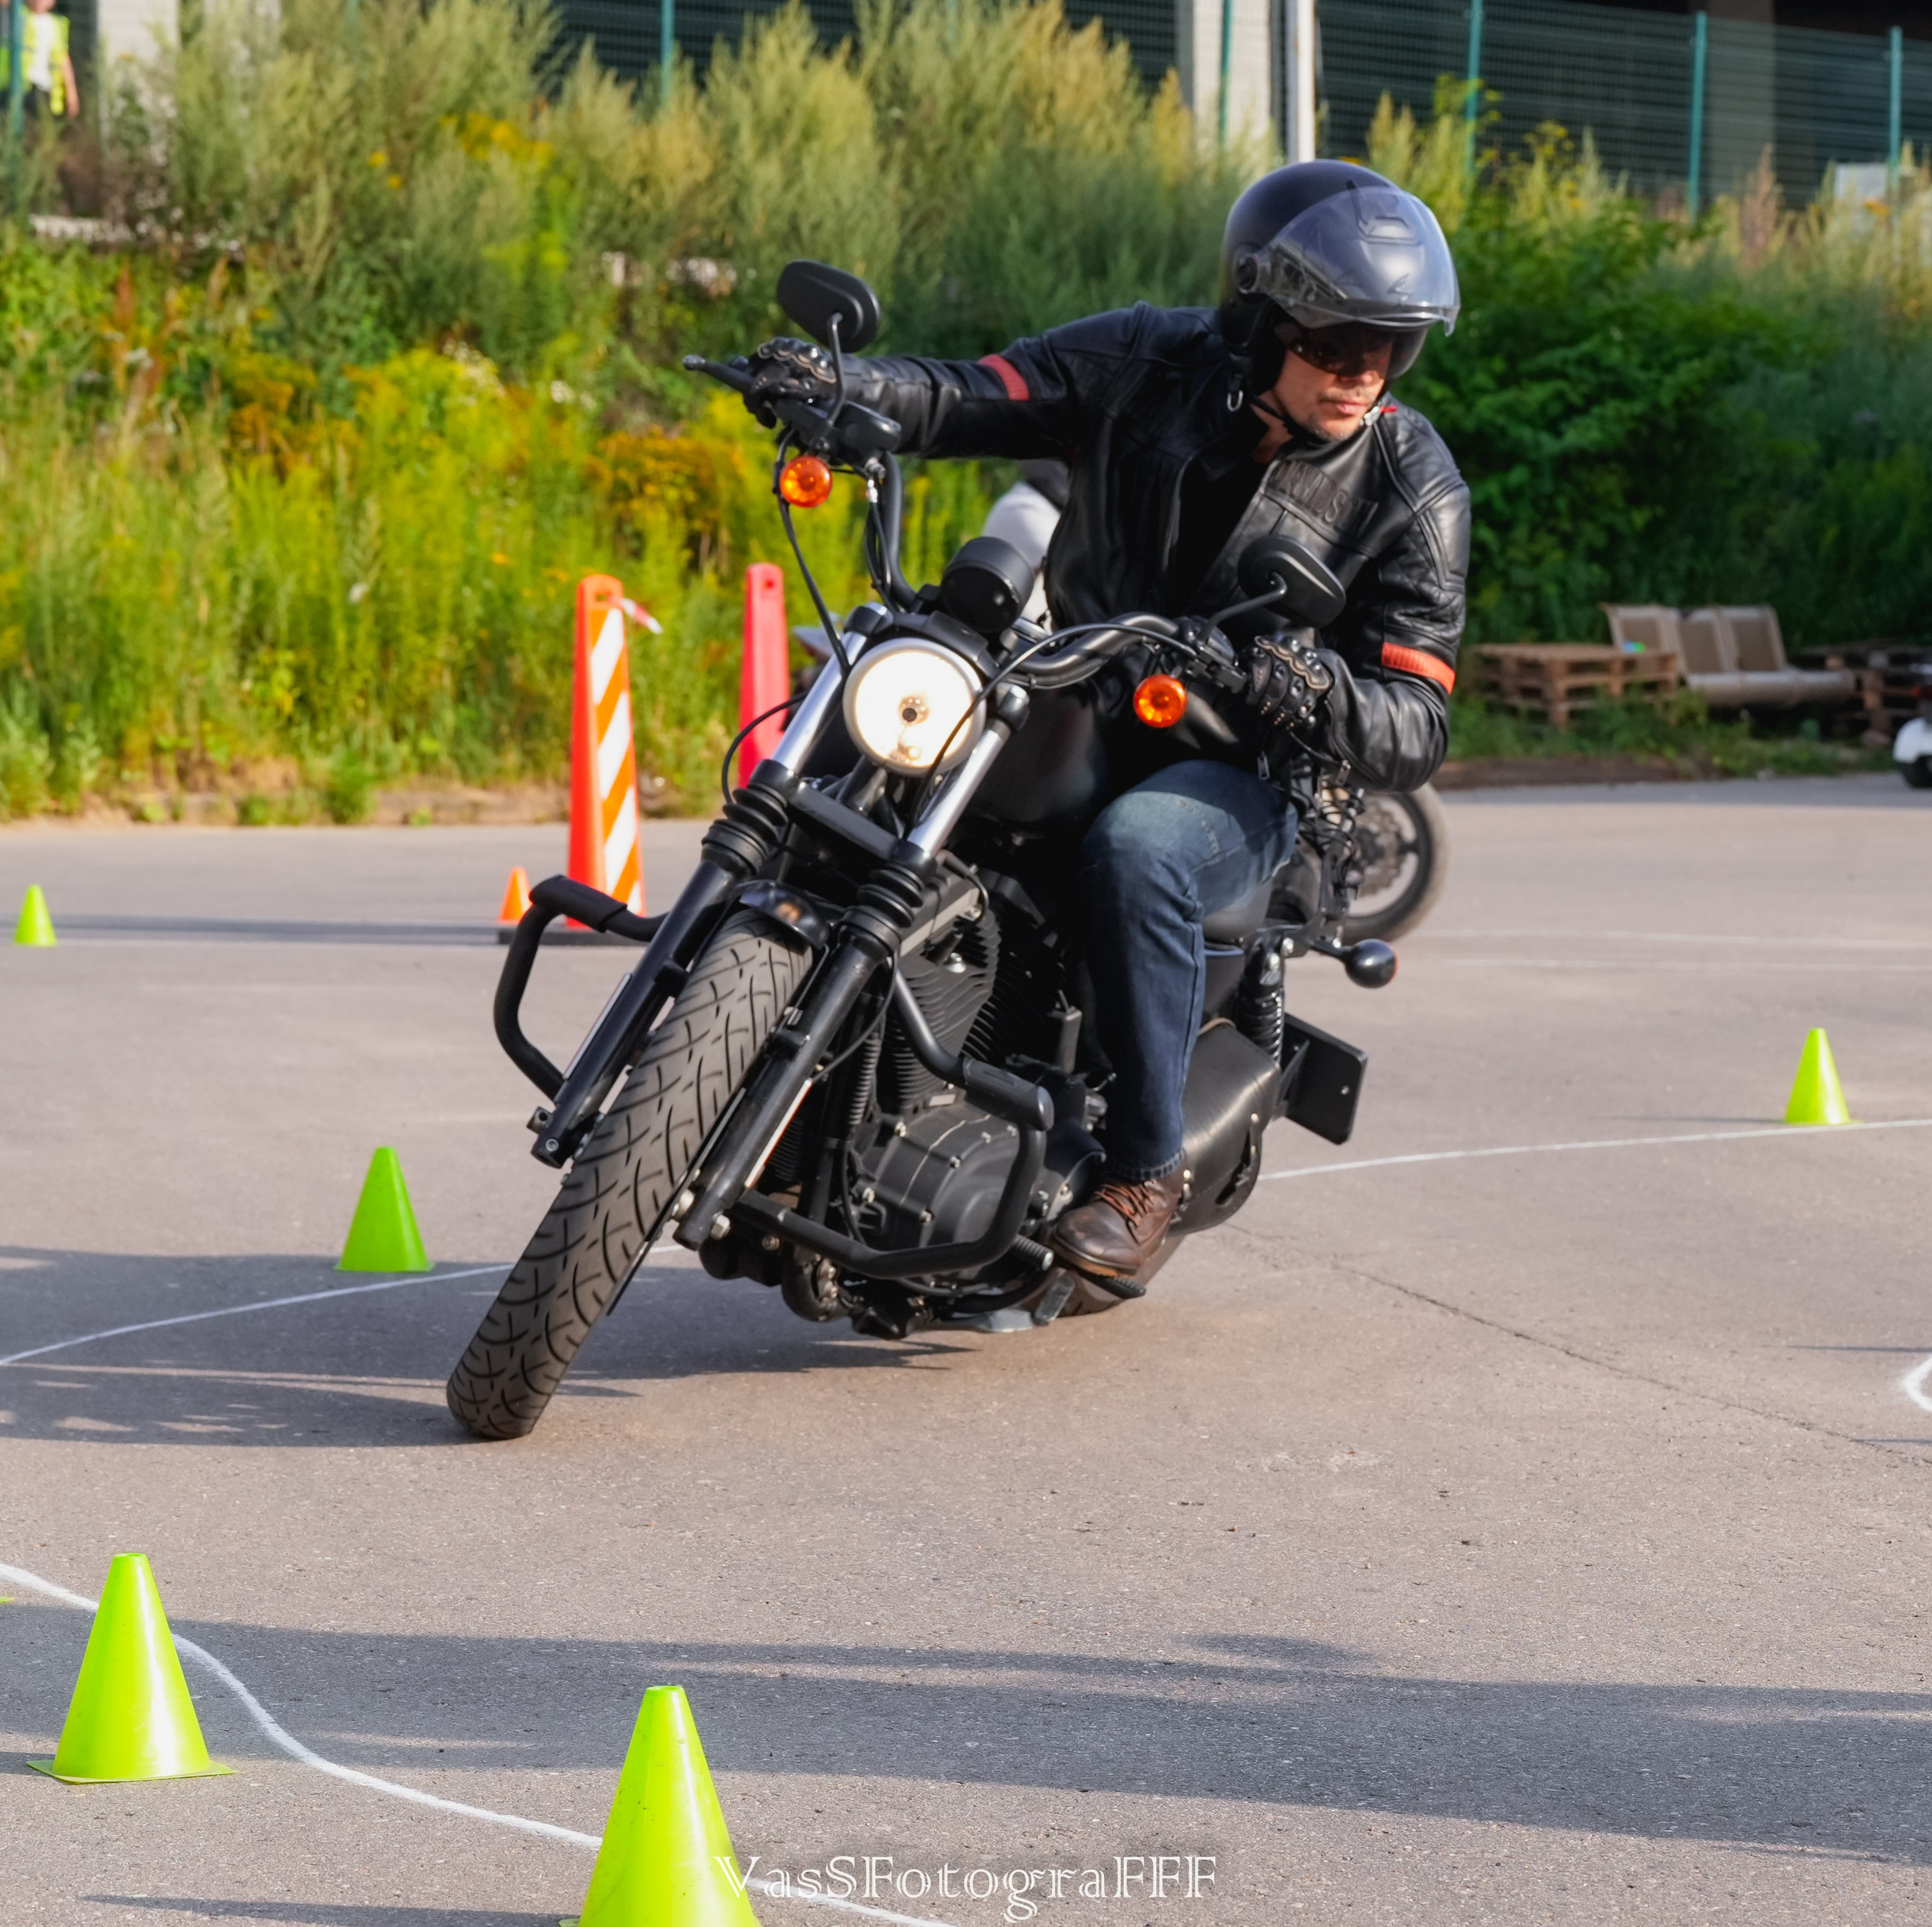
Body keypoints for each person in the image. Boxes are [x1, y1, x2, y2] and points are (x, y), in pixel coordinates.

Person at [740, 161, 1469, 1280]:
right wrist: (835, 385)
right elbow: (971, 390)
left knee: (1139, 851)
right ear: (1261, 320)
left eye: (1392, 345)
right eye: (1336, 340)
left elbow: (1417, 719)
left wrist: (1310, 689)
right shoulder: (1142, 359)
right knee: (871, 745)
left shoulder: (1411, 485)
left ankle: (1143, 1170)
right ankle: (754, 1050)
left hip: (1240, 762)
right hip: (1074, 690)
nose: (1363, 370)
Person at [0, 0, 81, 122]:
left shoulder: (57, 24)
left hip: (44, 89)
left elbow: (63, 60)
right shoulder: (19, 15)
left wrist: (71, 94)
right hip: (18, 87)